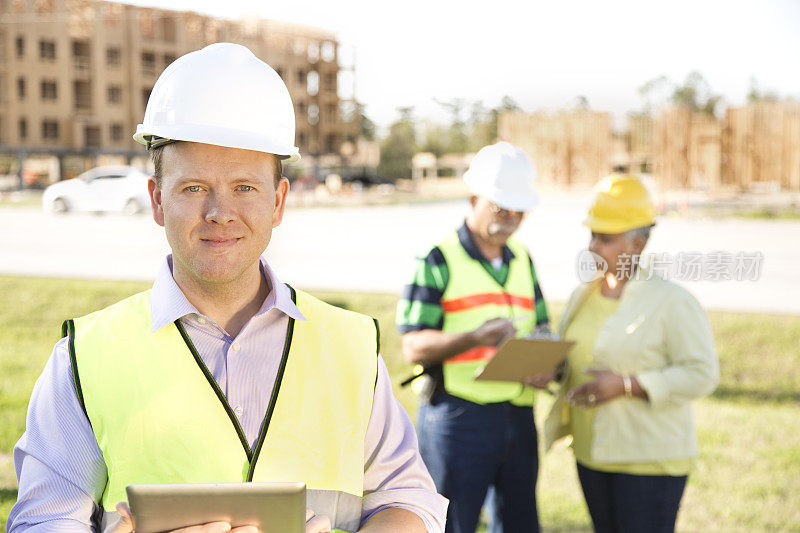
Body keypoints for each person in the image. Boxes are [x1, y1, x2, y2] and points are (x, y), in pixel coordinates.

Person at [8, 43, 446, 533]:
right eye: (193, 188)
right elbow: (43, 522)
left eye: (245, 187)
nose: (220, 212)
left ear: (278, 202)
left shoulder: (350, 348)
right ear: (157, 200)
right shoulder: (85, 359)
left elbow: (407, 499)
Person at [543, 174, 719, 533]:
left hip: (648, 462)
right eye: (592, 235)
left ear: (638, 244)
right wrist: (552, 371)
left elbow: (703, 373)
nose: (593, 246)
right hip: (592, 455)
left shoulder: (672, 301)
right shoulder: (583, 295)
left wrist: (628, 385)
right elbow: (575, 360)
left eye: (605, 239)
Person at [396, 142, 549, 533]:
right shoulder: (436, 261)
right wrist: (474, 338)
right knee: (451, 525)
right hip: (458, 417)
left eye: (519, 210)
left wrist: (547, 364)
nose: (511, 218)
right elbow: (412, 344)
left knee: (519, 522)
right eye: (501, 207)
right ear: (473, 198)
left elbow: (543, 328)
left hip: (517, 416)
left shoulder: (523, 259)